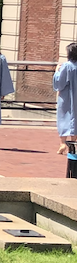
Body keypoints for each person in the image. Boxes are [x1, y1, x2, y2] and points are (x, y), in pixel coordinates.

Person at [53, 42, 77, 177]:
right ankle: (74, 143)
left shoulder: (67, 66)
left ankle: (62, 143)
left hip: (66, 97)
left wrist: (57, 71)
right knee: (76, 118)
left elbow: (59, 83)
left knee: (64, 118)